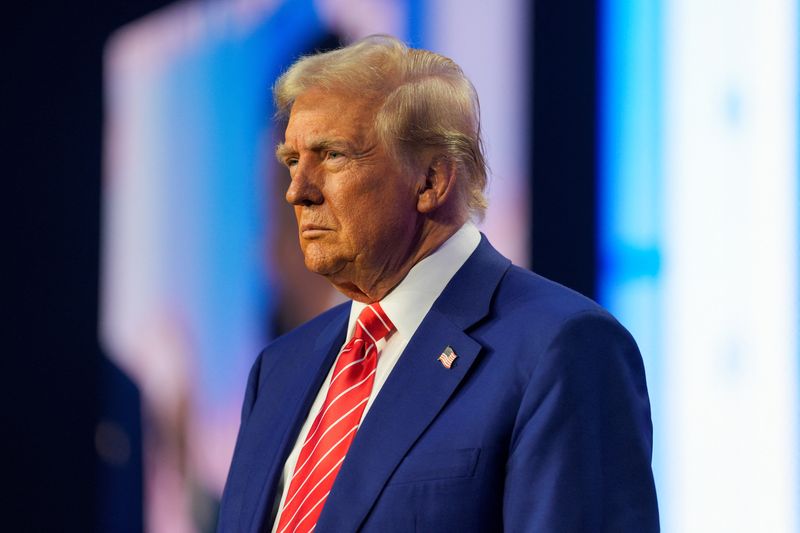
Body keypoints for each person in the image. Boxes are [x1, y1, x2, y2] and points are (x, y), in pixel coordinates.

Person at [218, 35, 659, 533]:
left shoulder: (561, 349)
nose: (297, 191)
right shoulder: (278, 371)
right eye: (293, 161)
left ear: (431, 181)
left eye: (333, 155)